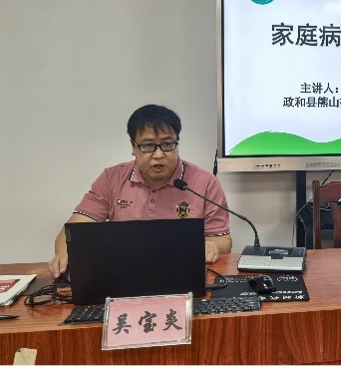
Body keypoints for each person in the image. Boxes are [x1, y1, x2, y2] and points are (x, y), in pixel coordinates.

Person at [48, 104, 232, 278]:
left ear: (177, 143)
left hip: (184, 274)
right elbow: (71, 233)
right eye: (148, 146)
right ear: (133, 146)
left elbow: (223, 240)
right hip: (124, 274)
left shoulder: (204, 182)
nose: (159, 155)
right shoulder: (111, 179)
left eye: (168, 144)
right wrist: (66, 254)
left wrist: (211, 245)